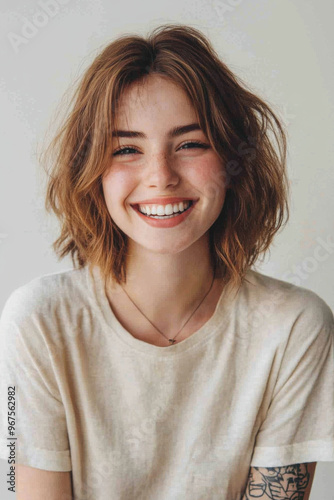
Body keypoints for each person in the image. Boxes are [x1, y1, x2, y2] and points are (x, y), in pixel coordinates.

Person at [0, 23, 333, 500]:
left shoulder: (294, 328)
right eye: (127, 149)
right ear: (90, 169)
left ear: (233, 159)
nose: (160, 177)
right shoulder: (37, 322)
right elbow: (21, 484)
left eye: (190, 144)